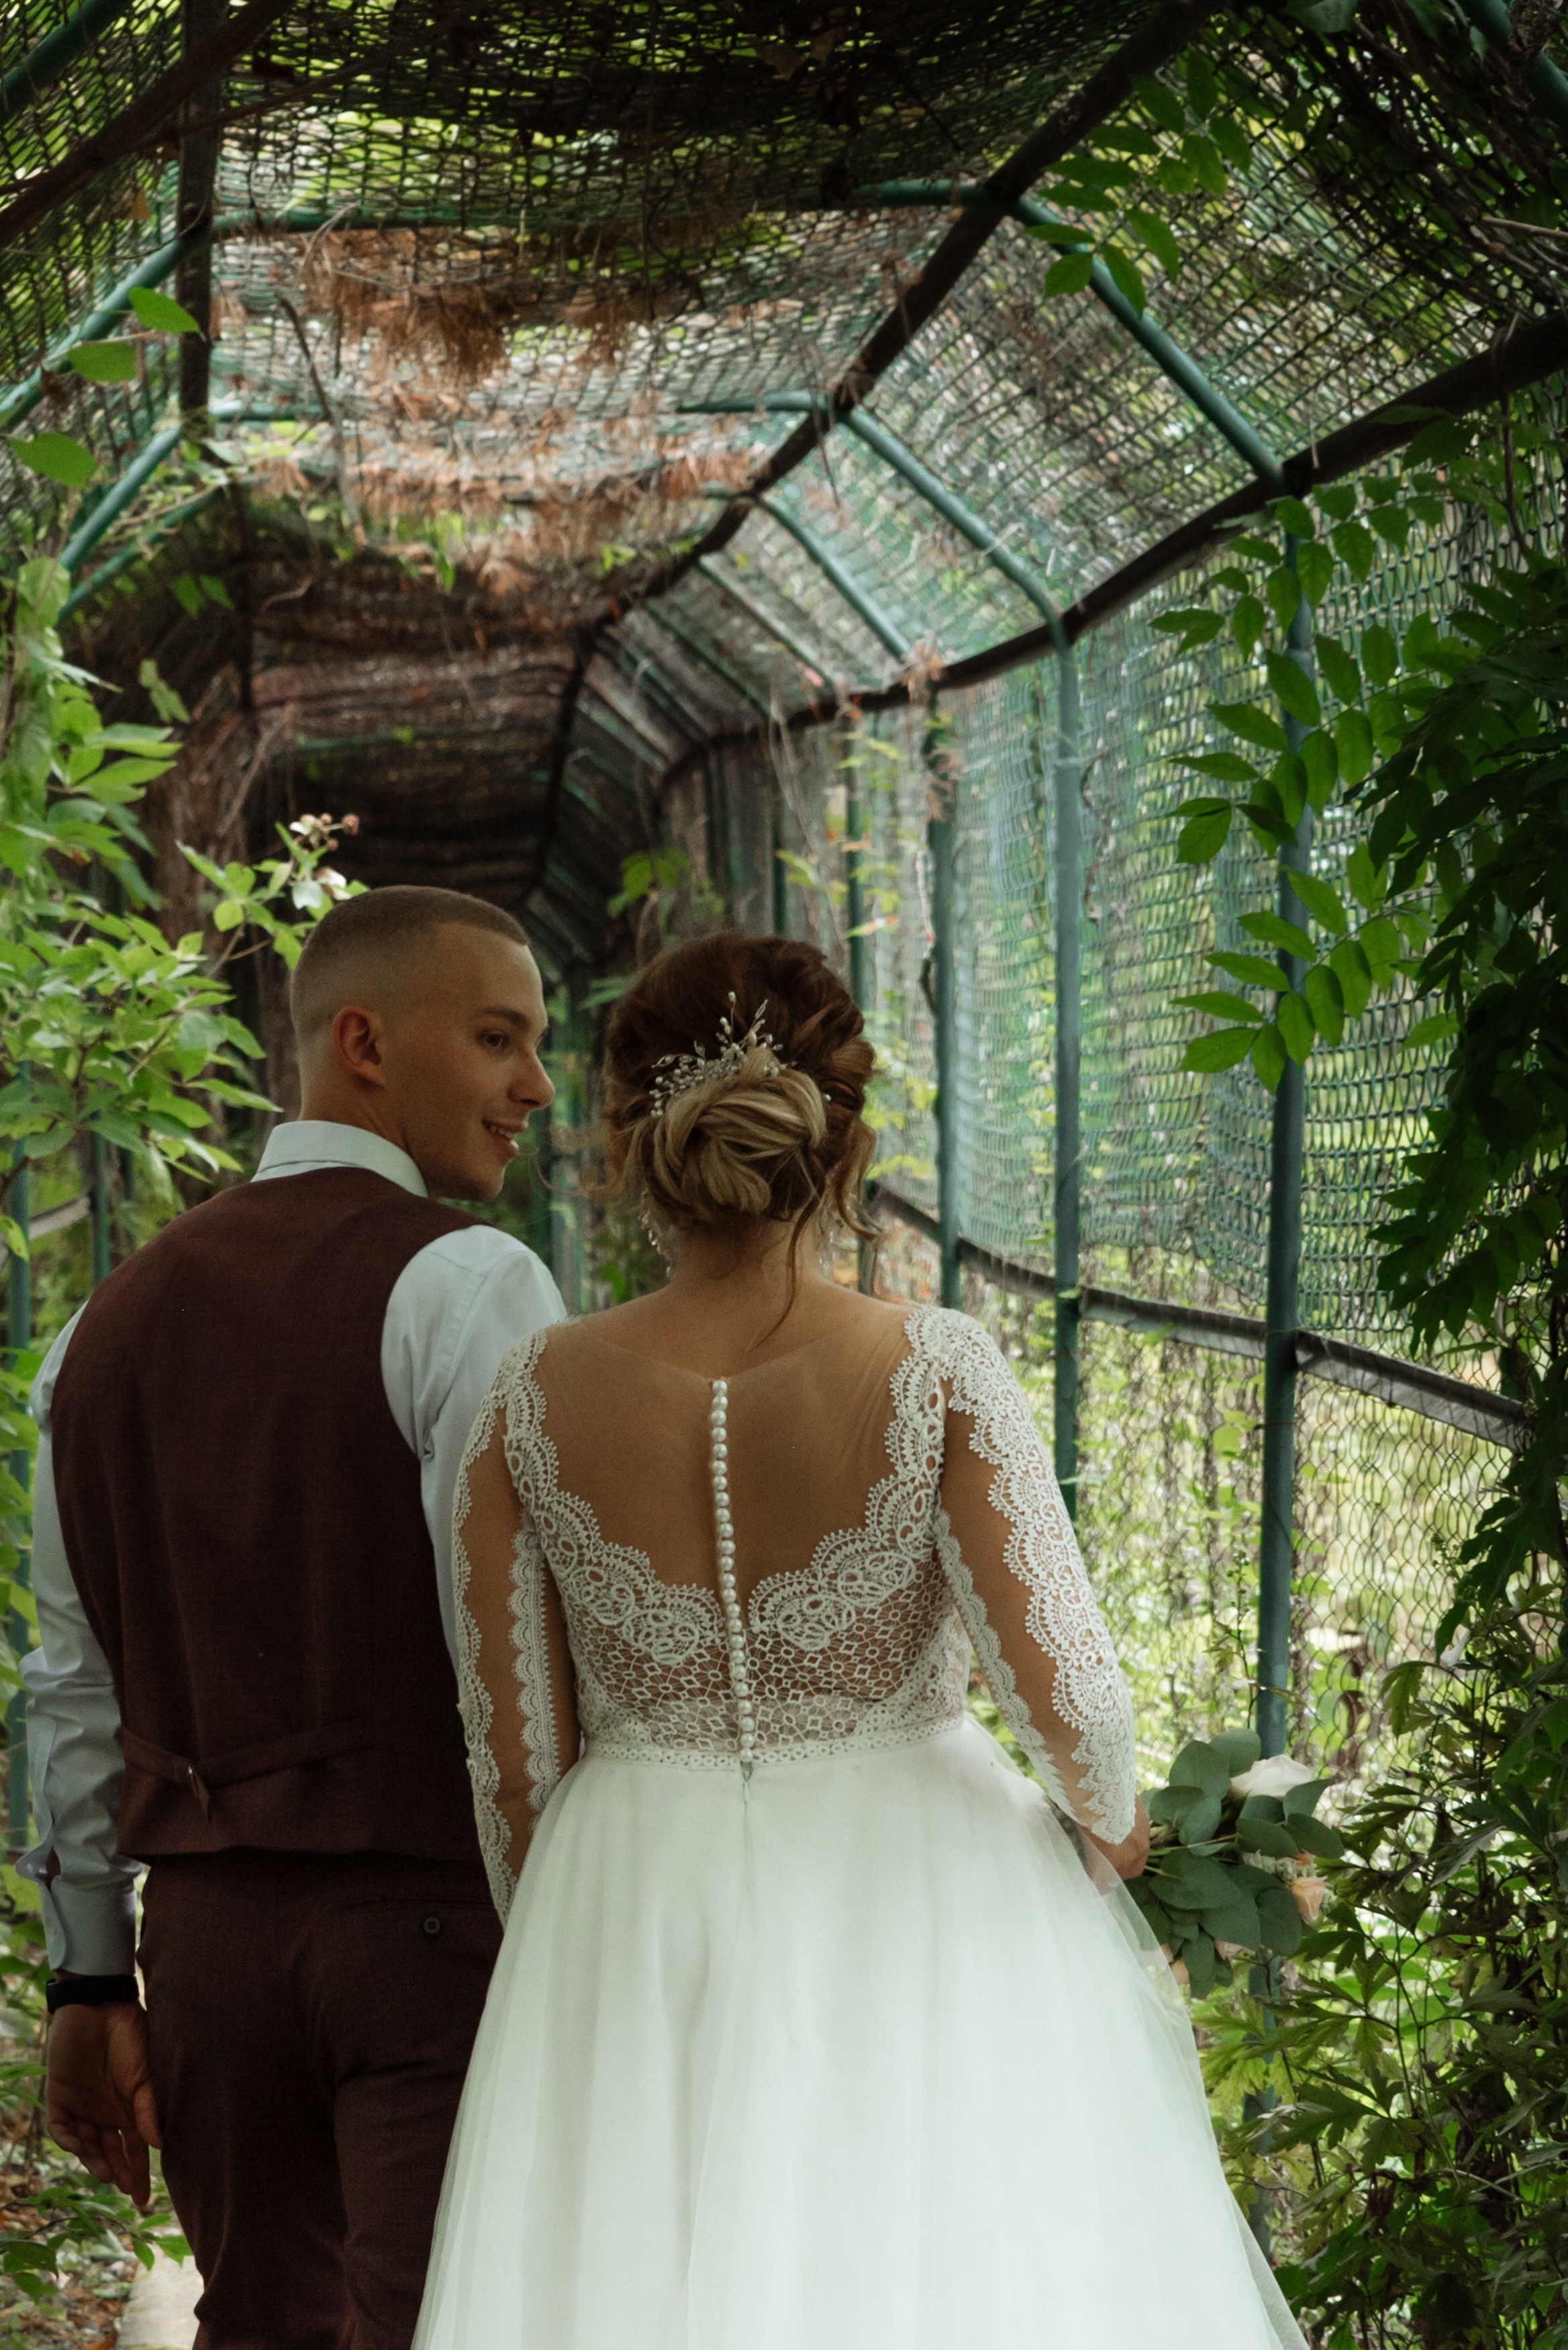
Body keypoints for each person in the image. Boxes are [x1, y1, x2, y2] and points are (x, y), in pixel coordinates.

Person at [415, 931, 1307, 2350]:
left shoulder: (526, 1400)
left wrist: (582, 1954)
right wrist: (1116, 1826)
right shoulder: (936, 1368)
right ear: (844, 1132)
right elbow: (1071, 1704)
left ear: (631, 1138)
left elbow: (513, 1771)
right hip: (923, 1904)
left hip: (632, 1905)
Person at [22, 885, 565, 2350]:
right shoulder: (470, 1288)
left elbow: (68, 1686)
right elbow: (514, 1643)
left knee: (261, 2325)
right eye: (501, 1037)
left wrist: (89, 1971)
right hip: (430, 1926)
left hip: (200, 1950)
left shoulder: (98, 1331)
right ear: (366, 1042)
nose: (535, 1086)